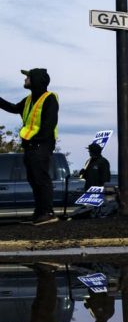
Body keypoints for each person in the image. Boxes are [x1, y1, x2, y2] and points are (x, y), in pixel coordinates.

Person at [0, 68, 59, 225]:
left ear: (36, 80)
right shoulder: (28, 100)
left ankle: (48, 213)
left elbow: (49, 124)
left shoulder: (49, 98)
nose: (25, 79)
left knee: (41, 178)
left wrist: (37, 140)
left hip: (42, 143)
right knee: (33, 178)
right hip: (31, 145)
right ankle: (39, 213)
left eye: (28, 77)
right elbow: (13, 108)